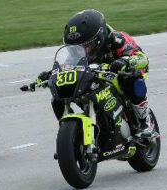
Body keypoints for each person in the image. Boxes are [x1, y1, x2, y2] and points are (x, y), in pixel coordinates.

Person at [50, 9, 154, 139]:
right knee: (59, 96)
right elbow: (68, 65)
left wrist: (124, 61)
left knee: (131, 79)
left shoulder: (117, 39)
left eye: (86, 45)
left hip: (120, 72)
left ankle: (145, 121)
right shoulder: (77, 52)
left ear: (99, 39)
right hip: (94, 75)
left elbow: (142, 58)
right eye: (75, 47)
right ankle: (68, 130)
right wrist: (51, 73)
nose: (82, 50)